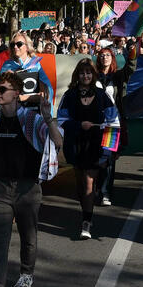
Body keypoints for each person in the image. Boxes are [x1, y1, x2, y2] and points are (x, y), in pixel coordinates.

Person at [0, 71, 62, 287]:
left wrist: (48, 119)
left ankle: (26, 273)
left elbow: (57, 142)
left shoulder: (31, 120)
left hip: (28, 187)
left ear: (16, 94)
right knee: (0, 239)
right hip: (0, 188)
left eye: (2, 89)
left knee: (28, 234)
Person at [58, 58, 119, 239]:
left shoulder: (102, 95)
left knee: (88, 183)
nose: (85, 75)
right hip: (76, 144)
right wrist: (78, 125)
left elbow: (113, 123)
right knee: (80, 184)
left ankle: (87, 221)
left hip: (96, 144)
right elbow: (62, 120)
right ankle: (86, 209)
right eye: (82, 72)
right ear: (78, 75)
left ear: (93, 75)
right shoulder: (69, 95)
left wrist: (110, 152)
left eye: (89, 72)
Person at [94, 44, 137, 206]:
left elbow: (131, 68)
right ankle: (96, 189)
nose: (104, 57)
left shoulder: (118, 76)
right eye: (102, 55)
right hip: (96, 124)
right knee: (96, 157)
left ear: (112, 59)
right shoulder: (92, 76)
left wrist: (132, 51)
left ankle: (105, 192)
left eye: (108, 55)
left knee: (109, 159)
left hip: (113, 124)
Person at [0, 31, 53, 103]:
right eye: (13, 45)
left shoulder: (36, 64)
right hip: (14, 108)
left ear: (27, 47)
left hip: (34, 107)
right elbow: (0, 89)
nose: (15, 47)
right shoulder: (7, 65)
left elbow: (48, 90)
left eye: (19, 44)